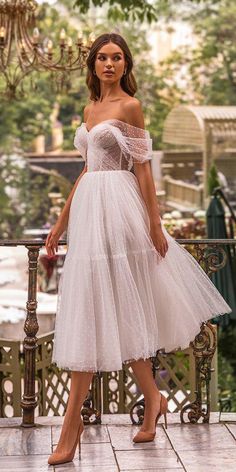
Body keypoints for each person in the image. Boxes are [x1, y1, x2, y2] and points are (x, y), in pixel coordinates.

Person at [46, 32, 232, 466]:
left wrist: (155, 225)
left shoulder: (130, 106)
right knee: (111, 310)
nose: (109, 64)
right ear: (92, 65)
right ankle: (155, 400)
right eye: (102, 58)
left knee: (108, 310)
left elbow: (144, 170)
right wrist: (60, 221)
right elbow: (87, 171)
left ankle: (69, 429)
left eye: (117, 58)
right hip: (91, 216)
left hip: (122, 214)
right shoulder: (90, 109)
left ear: (126, 64)